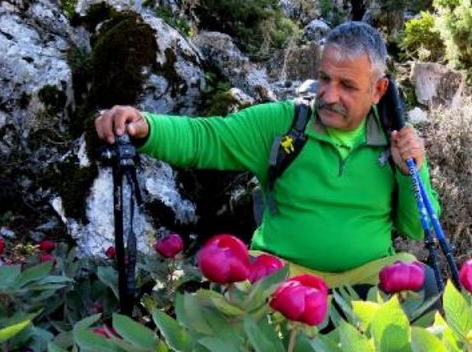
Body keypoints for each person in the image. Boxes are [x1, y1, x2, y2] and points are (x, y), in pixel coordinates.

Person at [95, 21, 440, 295]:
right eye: (324, 78)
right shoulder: (283, 124)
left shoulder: (395, 140)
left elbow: (416, 227)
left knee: (424, 282)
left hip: (362, 281)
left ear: (379, 91)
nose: (329, 95)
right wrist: (145, 125)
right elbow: (207, 137)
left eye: (347, 86)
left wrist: (414, 168)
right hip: (281, 275)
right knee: (228, 283)